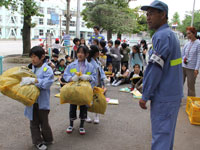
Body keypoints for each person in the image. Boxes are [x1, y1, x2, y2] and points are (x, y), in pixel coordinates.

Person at [140, 1, 183, 150]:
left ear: (163, 15)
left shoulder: (162, 36)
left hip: (164, 96)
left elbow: (155, 69)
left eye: (151, 13)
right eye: (147, 14)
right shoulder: (170, 35)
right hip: (171, 94)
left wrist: (145, 94)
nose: (148, 17)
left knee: (161, 138)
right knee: (166, 137)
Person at [22, 46, 54, 150]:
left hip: (42, 102)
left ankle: (48, 138)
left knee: (44, 123)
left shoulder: (47, 69)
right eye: (31, 57)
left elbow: (47, 83)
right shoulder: (30, 68)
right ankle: (37, 141)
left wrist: (35, 81)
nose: (32, 59)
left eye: (35, 56)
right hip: (31, 101)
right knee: (33, 123)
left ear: (42, 57)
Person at [63, 46, 96, 135]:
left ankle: (81, 126)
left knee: (83, 108)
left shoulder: (90, 66)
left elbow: (94, 78)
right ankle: (71, 125)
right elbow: (65, 75)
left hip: (84, 91)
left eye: (82, 52)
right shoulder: (71, 65)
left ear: (86, 54)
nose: (80, 54)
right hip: (73, 90)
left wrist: (88, 77)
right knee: (72, 107)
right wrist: (71, 78)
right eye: (78, 52)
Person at [86, 45, 107, 124]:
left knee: (97, 100)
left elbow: (101, 71)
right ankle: (86, 115)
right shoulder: (88, 62)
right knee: (88, 100)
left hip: (98, 83)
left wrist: (104, 78)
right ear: (96, 53)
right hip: (90, 84)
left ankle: (96, 116)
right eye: (98, 52)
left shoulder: (97, 61)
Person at [182, 26, 200, 96]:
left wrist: (196, 68)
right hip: (183, 66)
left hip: (192, 68)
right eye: (187, 33)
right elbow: (183, 53)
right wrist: (184, 59)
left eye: (189, 33)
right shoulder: (187, 43)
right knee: (180, 84)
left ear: (194, 34)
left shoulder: (198, 43)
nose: (188, 35)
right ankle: (178, 99)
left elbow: (199, 57)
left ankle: (192, 102)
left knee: (191, 86)